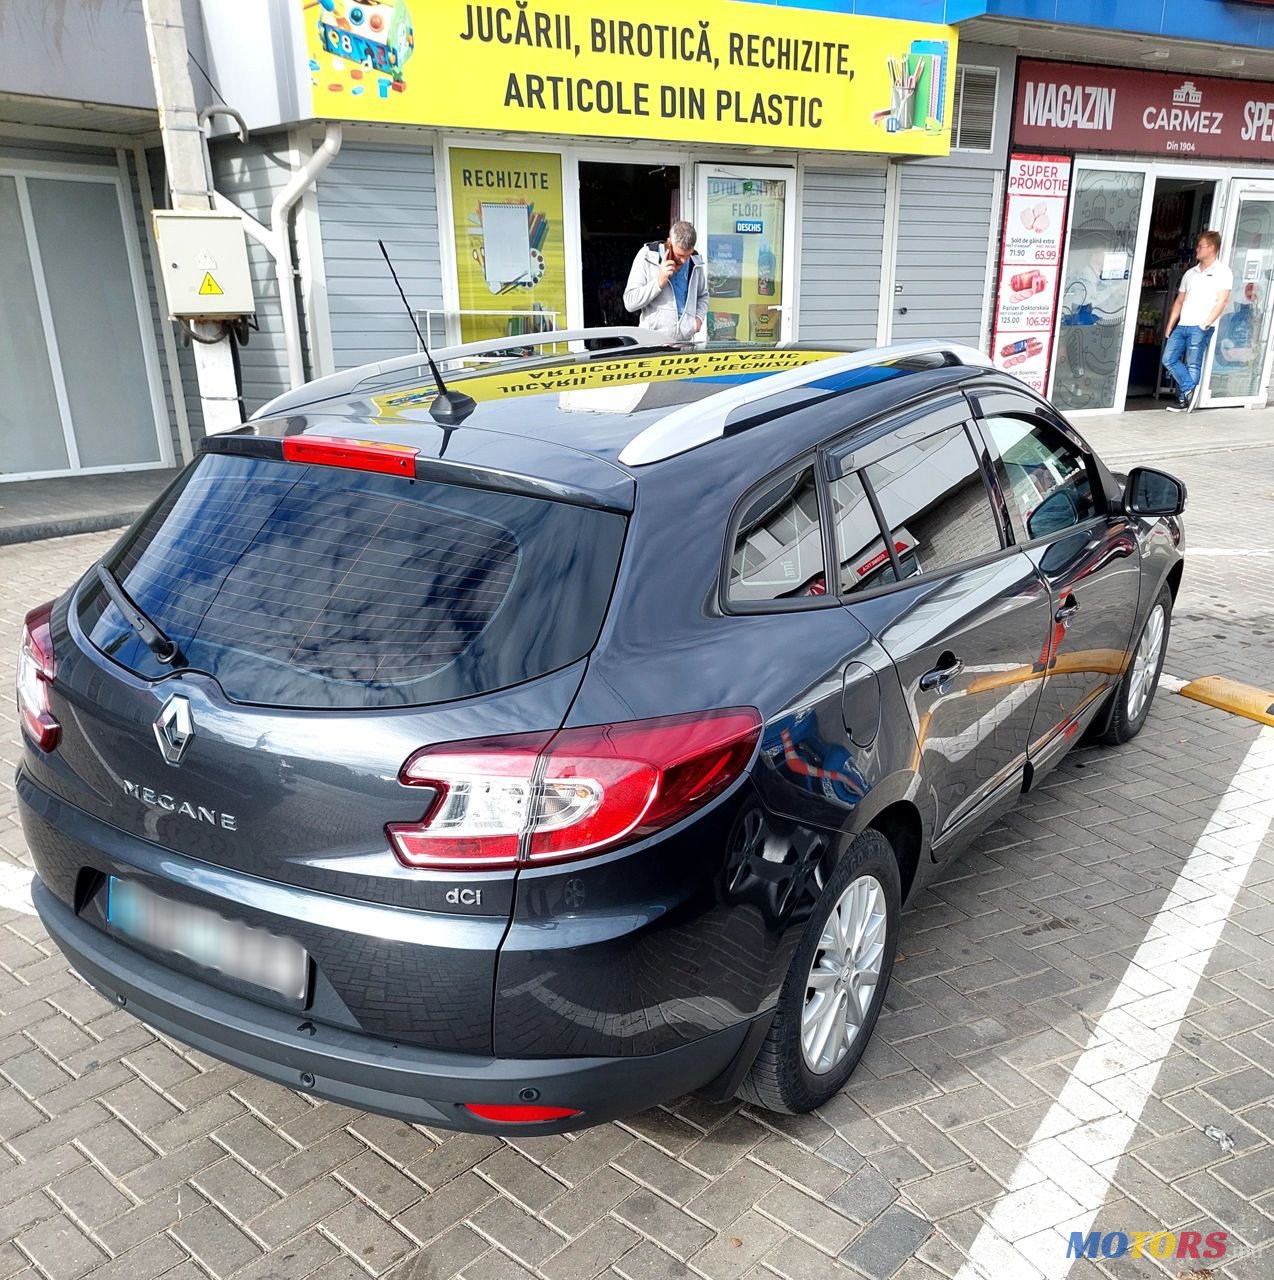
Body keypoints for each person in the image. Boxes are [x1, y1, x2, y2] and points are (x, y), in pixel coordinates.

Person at [1163, 230, 1233, 412]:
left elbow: (1222, 301)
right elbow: (1179, 301)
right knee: (1168, 359)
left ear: (1211, 248)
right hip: (1183, 324)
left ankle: (1184, 401)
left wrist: (1206, 324)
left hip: (1200, 326)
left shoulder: (1222, 272)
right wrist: (1170, 326)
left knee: (1193, 363)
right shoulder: (1190, 273)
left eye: (1200, 246)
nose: (1197, 249)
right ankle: (1188, 389)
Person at [623, 220, 707, 341]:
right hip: (652, 344)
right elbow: (630, 302)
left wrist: (697, 320)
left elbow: (703, 295)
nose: (684, 261)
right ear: (669, 243)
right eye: (680, 255)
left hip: (684, 344)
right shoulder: (647, 256)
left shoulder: (695, 260)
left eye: (688, 255)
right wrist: (659, 282)